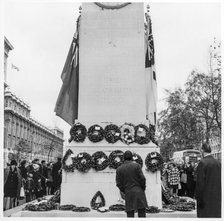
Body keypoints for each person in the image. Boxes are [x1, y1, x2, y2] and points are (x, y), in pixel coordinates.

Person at [116, 151, 148, 218]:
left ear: (124, 158)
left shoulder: (119, 169)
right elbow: (142, 179)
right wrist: (143, 188)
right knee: (142, 214)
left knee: (130, 215)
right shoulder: (137, 166)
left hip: (128, 192)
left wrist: (125, 190)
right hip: (139, 191)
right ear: (132, 158)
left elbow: (118, 183)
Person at [195, 143, 221, 218]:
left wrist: (198, 198)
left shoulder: (202, 163)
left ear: (202, 150)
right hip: (217, 198)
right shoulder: (218, 163)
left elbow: (200, 183)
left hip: (205, 199)